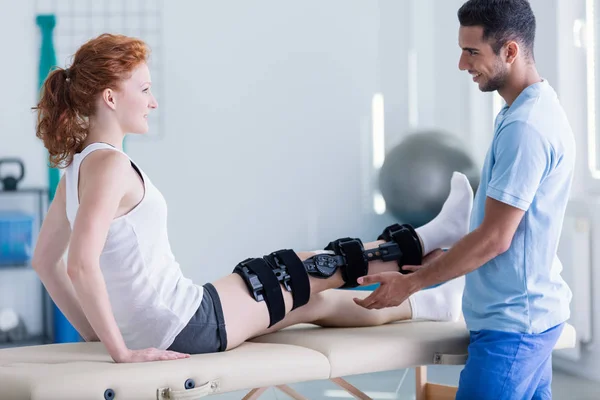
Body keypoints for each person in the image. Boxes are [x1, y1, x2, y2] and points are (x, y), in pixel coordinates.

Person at [31, 33, 472, 364]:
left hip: (180, 317)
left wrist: (95, 332)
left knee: (313, 301)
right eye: (144, 90)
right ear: (110, 98)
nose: (153, 102)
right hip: (189, 324)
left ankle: (432, 304)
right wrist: (120, 352)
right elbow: (79, 264)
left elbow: (44, 261)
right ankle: (428, 238)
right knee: (306, 269)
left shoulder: (75, 170)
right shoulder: (108, 166)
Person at [355, 1, 575, 399]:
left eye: (472, 52)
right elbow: (510, 229)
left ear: (510, 51)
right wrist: (452, 258)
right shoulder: (524, 110)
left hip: (513, 329)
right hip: (526, 318)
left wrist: (412, 284)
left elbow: (496, 238)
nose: (461, 64)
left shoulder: (526, 127)